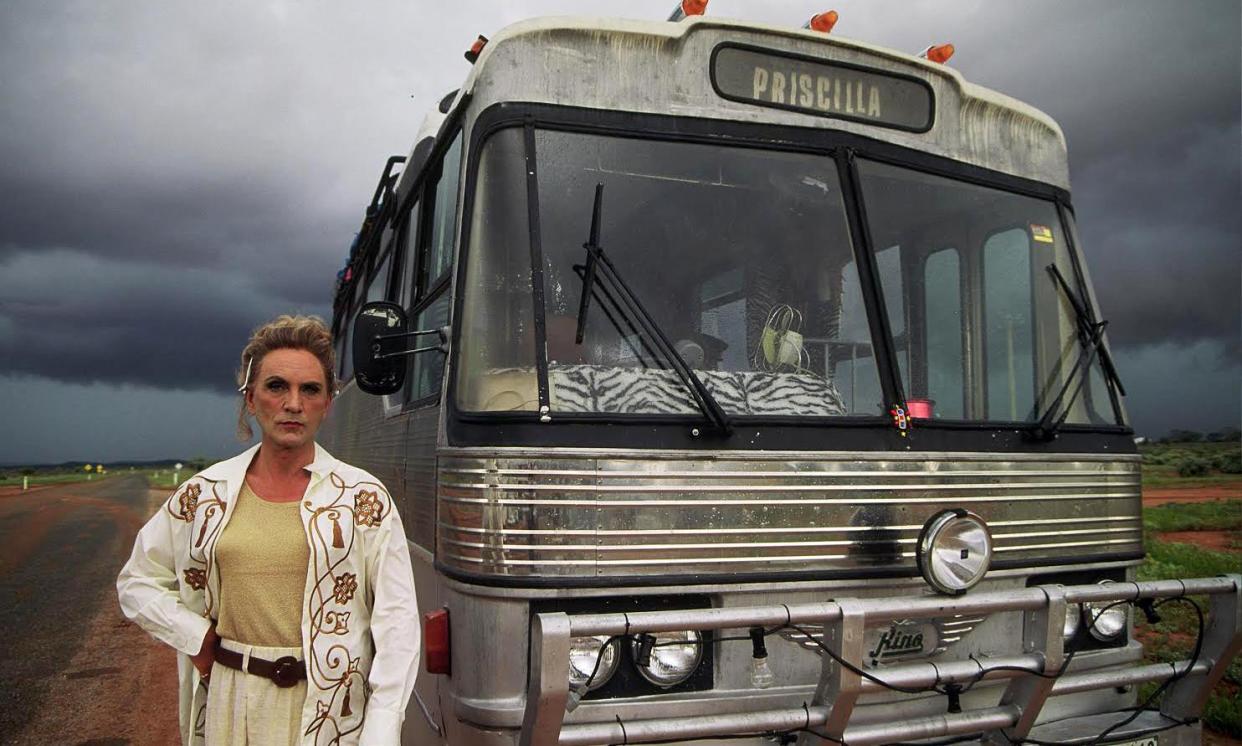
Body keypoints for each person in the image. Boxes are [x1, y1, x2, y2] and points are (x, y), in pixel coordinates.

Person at [117, 315, 420, 745]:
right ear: (251, 399)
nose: (293, 403)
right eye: (277, 386)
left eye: (310, 389)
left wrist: (382, 729)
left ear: (327, 403)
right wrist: (196, 637)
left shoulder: (362, 499)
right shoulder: (203, 495)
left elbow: (398, 625)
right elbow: (137, 581)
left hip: (332, 715)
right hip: (230, 702)